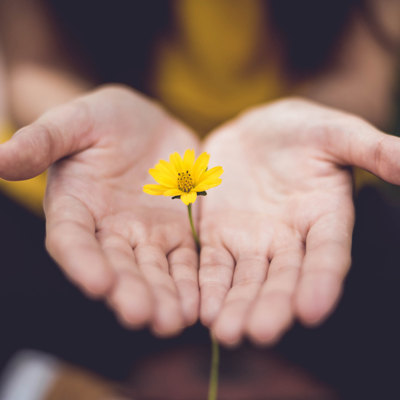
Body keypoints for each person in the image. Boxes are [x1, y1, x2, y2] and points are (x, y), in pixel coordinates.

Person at [0, 1, 400, 395]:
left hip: (294, 192)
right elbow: (35, 64)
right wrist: (73, 120)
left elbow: (362, 73)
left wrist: (319, 121)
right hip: (101, 192)